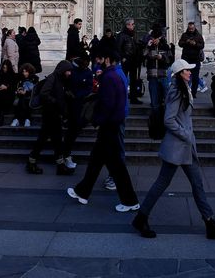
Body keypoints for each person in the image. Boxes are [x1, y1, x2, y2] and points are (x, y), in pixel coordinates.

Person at [131, 58, 215, 240]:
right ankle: (141, 217)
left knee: (197, 184)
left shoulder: (184, 89)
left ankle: (210, 222)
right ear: (179, 74)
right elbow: (169, 119)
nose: (190, 72)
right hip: (177, 147)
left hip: (185, 147)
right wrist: (186, 134)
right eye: (186, 70)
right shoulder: (177, 91)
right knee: (162, 183)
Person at [67, 45, 139, 211]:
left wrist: (96, 120)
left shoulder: (110, 77)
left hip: (109, 126)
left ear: (107, 59)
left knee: (117, 166)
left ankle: (130, 201)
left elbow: (107, 104)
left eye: (99, 59)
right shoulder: (115, 75)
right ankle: (82, 192)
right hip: (111, 124)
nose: (97, 63)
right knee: (95, 161)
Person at [27, 60, 74, 175]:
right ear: (63, 70)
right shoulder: (53, 78)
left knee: (55, 140)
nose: (69, 73)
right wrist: (55, 101)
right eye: (68, 71)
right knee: (48, 140)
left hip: (55, 114)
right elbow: (44, 94)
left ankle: (58, 165)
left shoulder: (62, 80)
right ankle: (34, 162)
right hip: (50, 114)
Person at [142, 26, 173, 113]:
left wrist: (162, 57)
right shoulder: (149, 46)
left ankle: (167, 115)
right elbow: (143, 56)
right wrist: (147, 46)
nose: (154, 40)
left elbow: (170, 60)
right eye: (153, 38)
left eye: (156, 38)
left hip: (163, 74)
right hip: (152, 75)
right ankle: (155, 116)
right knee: (154, 98)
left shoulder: (165, 46)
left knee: (166, 96)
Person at [115, 19, 143, 104]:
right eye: (132, 24)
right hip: (126, 61)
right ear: (127, 25)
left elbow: (135, 47)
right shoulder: (121, 35)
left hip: (133, 61)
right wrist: (122, 57)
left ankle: (133, 97)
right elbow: (118, 48)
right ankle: (121, 97)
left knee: (133, 80)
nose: (134, 25)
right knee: (123, 79)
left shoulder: (133, 35)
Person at [178, 22, 205, 94]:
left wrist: (195, 44)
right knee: (184, 76)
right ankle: (185, 91)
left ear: (194, 27)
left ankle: (193, 92)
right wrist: (186, 42)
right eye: (190, 29)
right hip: (186, 59)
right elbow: (180, 44)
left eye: (192, 28)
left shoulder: (198, 36)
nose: (191, 30)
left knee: (195, 77)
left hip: (195, 59)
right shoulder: (184, 35)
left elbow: (202, 46)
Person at [12, 63, 39, 128]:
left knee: (26, 101)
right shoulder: (20, 78)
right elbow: (16, 87)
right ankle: (20, 119)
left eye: (26, 72)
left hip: (31, 97)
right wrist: (19, 91)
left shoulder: (35, 79)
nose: (24, 73)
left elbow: (36, 91)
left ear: (30, 72)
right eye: (23, 72)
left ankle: (23, 119)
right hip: (21, 97)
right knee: (22, 100)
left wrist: (26, 93)